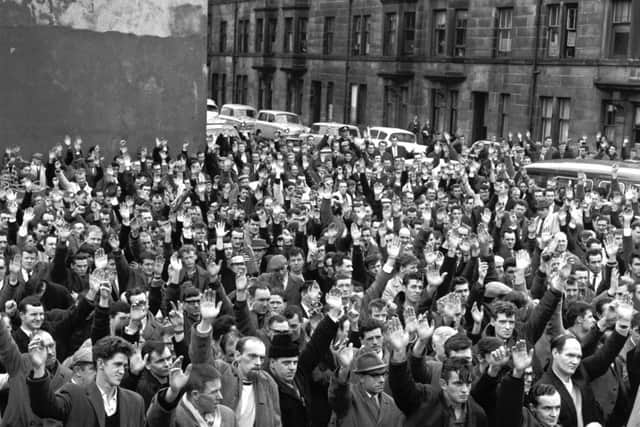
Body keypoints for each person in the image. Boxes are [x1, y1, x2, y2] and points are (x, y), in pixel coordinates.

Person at [27, 335, 187, 427]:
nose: (122, 370)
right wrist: (39, 368)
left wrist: (172, 393)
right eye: (117, 364)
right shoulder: (74, 394)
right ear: (101, 364)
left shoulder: (134, 401)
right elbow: (43, 407)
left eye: (124, 365)